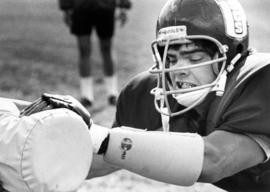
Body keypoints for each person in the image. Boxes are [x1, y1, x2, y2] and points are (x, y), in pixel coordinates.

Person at [58, 0, 132, 107]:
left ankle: (112, 93)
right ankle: (86, 96)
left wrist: (124, 6)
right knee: (84, 49)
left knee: (107, 48)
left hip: (105, 6)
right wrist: (66, 7)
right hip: (81, 6)